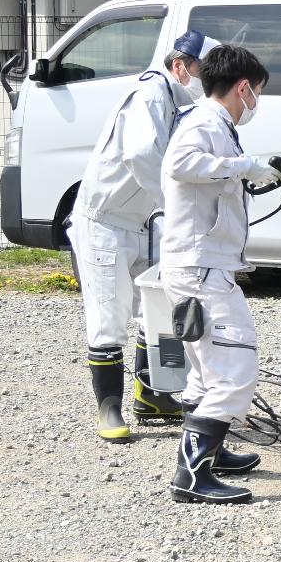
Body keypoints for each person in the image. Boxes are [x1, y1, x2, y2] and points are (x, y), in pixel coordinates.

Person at [67, 28, 218, 442]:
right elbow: (140, 155)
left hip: (144, 220)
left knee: (154, 311)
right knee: (108, 317)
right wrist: (174, 202)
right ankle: (109, 409)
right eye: (205, 71)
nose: (208, 81)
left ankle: (153, 395)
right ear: (179, 67)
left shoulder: (183, 105)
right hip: (106, 222)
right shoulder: (153, 92)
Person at [160, 43, 281, 505]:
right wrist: (244, 166)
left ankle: (213, 453)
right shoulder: (203, 122)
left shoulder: (216, 126)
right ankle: (191, 475)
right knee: (235, 367)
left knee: (205, 369)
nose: (256, 103)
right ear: (244, 87)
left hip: (202, 265)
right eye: (258, 93)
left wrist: (246, 171)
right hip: (200, 268)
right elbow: (180, 165)